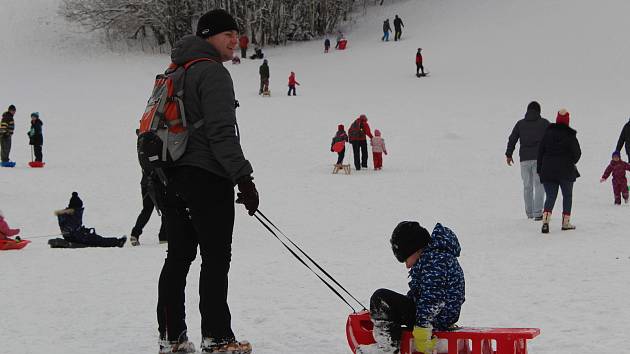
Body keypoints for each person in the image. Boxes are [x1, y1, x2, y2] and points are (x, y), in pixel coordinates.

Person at [158, 9, 258, 354]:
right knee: (216, 259)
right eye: (226, 34)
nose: (234, 40)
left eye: (236, 34)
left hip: (171, 177)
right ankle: (217, 337)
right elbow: (221, 133)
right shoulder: (212, 72)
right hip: (206, 177)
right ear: (207, 37)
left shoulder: (175, 71)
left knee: (178, 258)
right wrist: (243, 178)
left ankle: (172, 338)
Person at [356, 221, 465, 354]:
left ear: (417, 249)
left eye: (405, 259)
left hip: (436, 318)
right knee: (390, 305)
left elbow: (433, 300)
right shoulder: (436, 258)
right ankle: (386, 328)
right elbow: (423, 295)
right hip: (441, 316)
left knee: (381, 298)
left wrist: (422, 331)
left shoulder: (435, 262)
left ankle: (387, 348)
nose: (407, 266)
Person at [537, 109, 581, 233]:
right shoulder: (570, 136)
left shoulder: (547, 133)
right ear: (567, 121)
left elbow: (540, 151)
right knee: (567, 196)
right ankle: (565, 222)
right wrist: (570, 161)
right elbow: (577, 154)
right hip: (566, 171)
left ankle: (545, 221)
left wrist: (540, 169)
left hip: (548, 170)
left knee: (550, 196)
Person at [505, 101, 550, 220]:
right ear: (539, 111)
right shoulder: (544, 123)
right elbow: (552, 137)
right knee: (539, 184)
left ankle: (529, 213)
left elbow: (512, 138)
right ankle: (538, 213)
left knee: (527, 186)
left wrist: (509, 154)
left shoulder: (520, 124)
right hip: (539, 159)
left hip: (524, 160)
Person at [55, 192, 127, 247]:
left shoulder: (66, 215)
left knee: (98, 239)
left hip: (75, 236)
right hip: (79, 237)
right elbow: (74, 230)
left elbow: (72, 227)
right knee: (99, 240)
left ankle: (117, 241)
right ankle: (118, 242)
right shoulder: (74, 214)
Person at [130, 170, 167, 246]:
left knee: (147, 210)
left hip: (146, 184)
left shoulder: (142, 157)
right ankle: (163, 237)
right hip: (156, 184)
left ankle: (135, 234)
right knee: (165, 211)